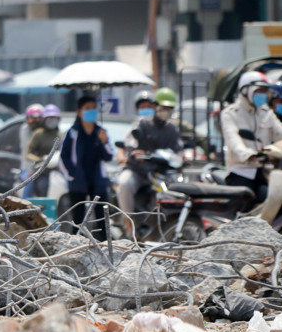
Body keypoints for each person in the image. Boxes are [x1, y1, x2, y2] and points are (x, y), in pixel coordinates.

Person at [116, 87, 183, 220]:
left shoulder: (172, 128)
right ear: (155, 106)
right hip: (138, 171)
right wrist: (135, 151)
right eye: (163, 107)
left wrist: (183, 156)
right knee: (125, 183)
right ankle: (128, 222)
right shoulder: (142, 123)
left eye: (169, 108)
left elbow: (178, 149)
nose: (166, 111)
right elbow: (130, 142)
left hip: (162, 173)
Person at [221, 71, 282, 203]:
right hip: (240, 171)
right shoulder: (231, 113)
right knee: (242, 205)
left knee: (279, 200)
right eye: (259, 91)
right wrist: (249, 155)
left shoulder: (266, 112)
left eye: (264, 91)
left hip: (263, 171)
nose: (262, 95)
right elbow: (233, 139)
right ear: (245, 90)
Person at [59, 96, 114, 241]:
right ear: (79, 112)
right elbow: (63, 157)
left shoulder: (101, 131)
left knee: (102, 216)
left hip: (97, 179)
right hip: (78, 180)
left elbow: (108, 156)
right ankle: (77, 244)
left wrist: (104, 142)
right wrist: (71, 175)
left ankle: (105, 244)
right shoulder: (73, 132)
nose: (91, 111)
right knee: (78, 217)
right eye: (87, 108)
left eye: (93, 108)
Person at [22, 104, 61, 198]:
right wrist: (42, 160)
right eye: (49, 118)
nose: (52, 120)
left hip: (57, 171)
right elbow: (29, 154)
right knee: (32, 186)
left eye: (54, 118)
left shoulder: (61, 135)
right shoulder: (38, 134)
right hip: (41, 171)